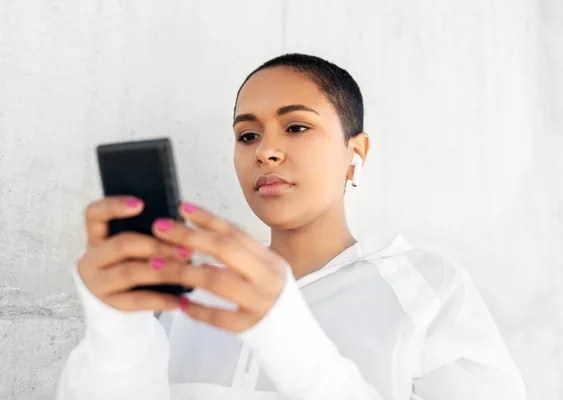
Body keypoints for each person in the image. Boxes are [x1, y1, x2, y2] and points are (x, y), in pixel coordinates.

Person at [56, 53, 527, 400]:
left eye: (297, 127)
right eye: (247, 135)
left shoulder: (428, 288)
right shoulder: (188, 294)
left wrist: (285, 335)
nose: (265, 151)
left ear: (355, 153)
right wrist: (116, 327)